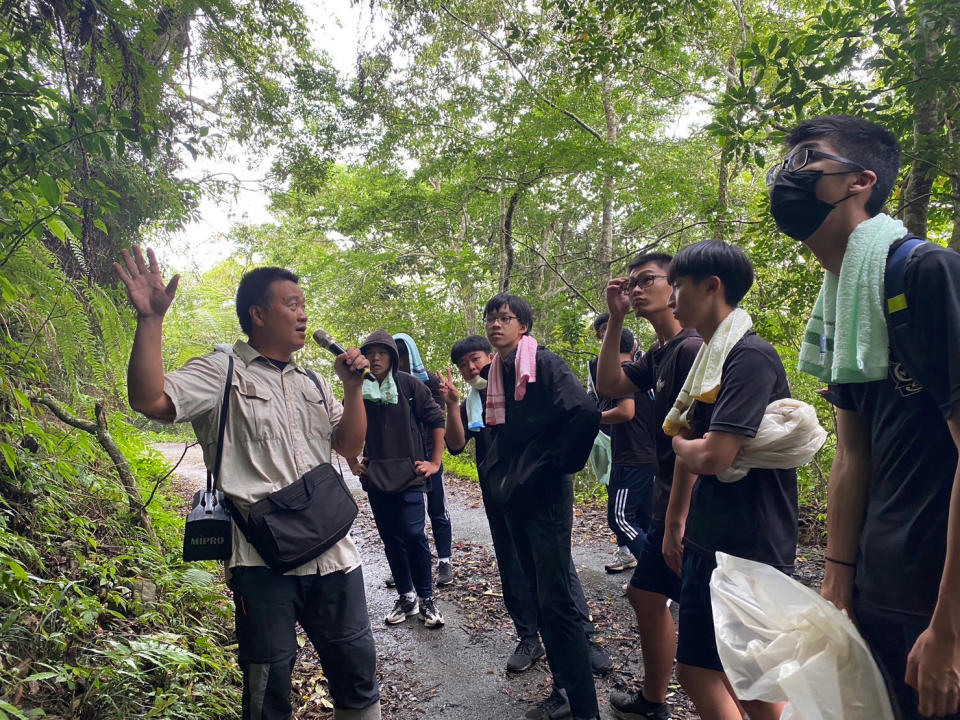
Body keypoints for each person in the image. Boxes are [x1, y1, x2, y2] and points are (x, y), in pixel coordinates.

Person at [114, 247, 381, 720]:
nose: (303, 314)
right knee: (268, 688)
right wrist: (151, 320)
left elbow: (348, 446)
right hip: (260, 562)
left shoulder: (314, 382)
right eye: (291, 304)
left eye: (303, 304)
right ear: (258, 314)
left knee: (358, 679)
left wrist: (353, 388)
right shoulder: (222, 371)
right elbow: (149, 399)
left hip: (335, 556)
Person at [769, 115, 960, 720]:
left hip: (936, 602)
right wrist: (837, 584)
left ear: (860, 181)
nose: (785, 176)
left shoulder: (924, 273)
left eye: (806, 160)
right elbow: (853, 454)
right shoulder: (842, 299)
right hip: (877, 591)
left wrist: (949, 630)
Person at [666, 239, 797, 720]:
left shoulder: (749, 358)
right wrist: (676, 522)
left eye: (678, 286)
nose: (672, 297)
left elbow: (715, 454)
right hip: (712, 535)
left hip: (752, 540)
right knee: (698, 668)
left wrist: (679, 444)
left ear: (712, 286)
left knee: (756, 679)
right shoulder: (709, 360)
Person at [439, 335, 614, 694]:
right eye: (464, 365)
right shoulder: (475, 400)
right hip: (499, 496)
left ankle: (585, 640)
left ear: (491, 356)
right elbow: (456, 445)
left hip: (538, 493)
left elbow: (573, 418)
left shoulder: (525, 385)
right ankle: (529, 638)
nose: (472, 368)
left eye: (475, 359)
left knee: (558, 565)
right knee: (511, 562)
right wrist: (452, 404)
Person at [469, 294, 602, 720]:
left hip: (544, 495)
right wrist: (500, 473)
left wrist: (549, 466)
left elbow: (583, 413)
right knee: (538, 596)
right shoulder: (498, 371)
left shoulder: (542, 363)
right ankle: (563, 692)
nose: (496, 324)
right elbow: (502, 433)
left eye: (505, 318)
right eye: (491, 318)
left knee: (558, 602)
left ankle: (585, 709)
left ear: (523, 326)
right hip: (515, 496)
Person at [597, 252, 702, 720]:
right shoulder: (658, 354)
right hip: (666, 490)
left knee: (714, 622)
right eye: (632, 283)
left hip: (693, 499)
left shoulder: (690, 349)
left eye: (647, 281)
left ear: (675, 286)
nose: (636, 290)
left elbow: (694, 439)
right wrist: (616, 319)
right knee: (644, 595)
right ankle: (653, 700)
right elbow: (609, 383)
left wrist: (677, 518)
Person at [351, 330, 446, 628]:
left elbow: (436, 419)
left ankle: (427, 599)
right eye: (371, 352)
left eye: (383, 352)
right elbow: (344, 427)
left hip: (411, 476)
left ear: (392, 356)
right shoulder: (358, 389)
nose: (377, 357)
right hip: (377, 478)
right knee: (390, 537)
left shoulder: (408, 385)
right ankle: (407, 596)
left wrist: (435, 461)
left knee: (414, 534)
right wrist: (351, 461)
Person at [392, 332, 455, 587]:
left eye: (404, 354)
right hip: (403, 459)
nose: (402, 361)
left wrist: (436, 460)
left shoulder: (428, 381)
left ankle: (445, 561)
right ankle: (410, 565)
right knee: (406, 514)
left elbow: (436, 418)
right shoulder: (388, 384)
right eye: (396, 356)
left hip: (429, 455)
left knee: (437, 507)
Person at [600, 327, 656, 575]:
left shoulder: (623, 374)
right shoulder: (645, 374)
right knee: (645, 518)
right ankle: (657, 582)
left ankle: (659, 575)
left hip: (632, 456)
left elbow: (626, 411)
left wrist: (592, 418)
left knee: (620, 518)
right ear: (633, 347)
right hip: (649, 454)